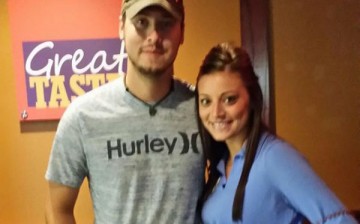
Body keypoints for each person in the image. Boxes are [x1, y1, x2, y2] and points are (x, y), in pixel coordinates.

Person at [45, 0, 204, 223]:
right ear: (121, 27)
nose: (154, 36)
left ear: (182, 31)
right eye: (141, 22)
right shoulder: (82, 116)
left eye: (166, 24)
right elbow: (57, 208)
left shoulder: (206, 111)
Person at [195, 42, 357, 224]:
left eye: (229, 99)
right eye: (206, 101)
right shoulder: (221, 164)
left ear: (253, 97)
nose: (216, 112)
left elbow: (340, 220)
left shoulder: (275, 157)